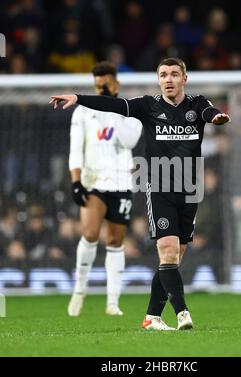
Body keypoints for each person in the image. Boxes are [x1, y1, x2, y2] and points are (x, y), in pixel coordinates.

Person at [50, 57, 230, 330]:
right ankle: (182, 313)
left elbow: (208, 112)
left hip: (190, 188)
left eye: (173, 74)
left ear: (184, 78)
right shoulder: (147, 106)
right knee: (167, 249)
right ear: (158, 80)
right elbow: (112, 105)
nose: (168, 79)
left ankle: (151, 317)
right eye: (163, 75)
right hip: (158, 185)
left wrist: (216, 116)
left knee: (175, 255)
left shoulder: (197, 104)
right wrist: (78, 97)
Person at [67, 61, 142, 316]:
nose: (101, 90)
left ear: (116, 84)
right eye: (98, 87)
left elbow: (129, 140)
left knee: (115, 241)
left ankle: (112, 302)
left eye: (106, 85)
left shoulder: (131, 111)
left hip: (121, 182)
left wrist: (110, 109)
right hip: (93, 182)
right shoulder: (82, 113)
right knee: (89, 234)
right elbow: (75, 150)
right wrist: (75, 181)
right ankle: (79, 289)